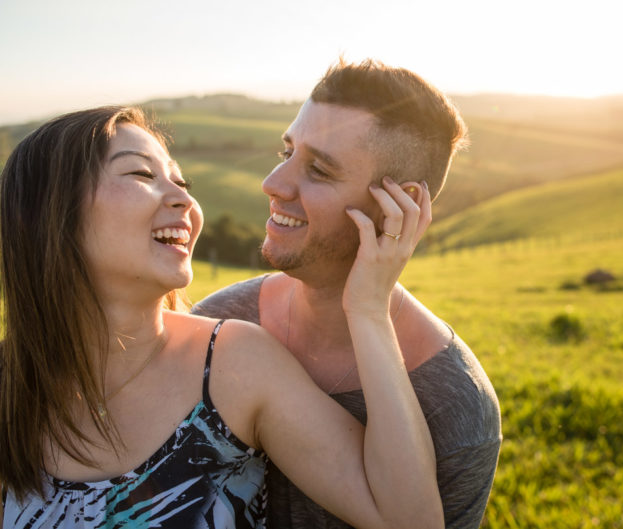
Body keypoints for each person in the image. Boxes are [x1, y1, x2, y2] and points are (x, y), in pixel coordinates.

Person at [0, 106, 444, 528]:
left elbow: (409, 519)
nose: (185, 200)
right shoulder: (9, 384)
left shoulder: (232, 365)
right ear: (51, 212)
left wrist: (368, 308)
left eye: (182, 180)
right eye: (141, 174)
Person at [193, 59, 502, 528]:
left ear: (396, 207)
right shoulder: (216, 322)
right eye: (286, 152)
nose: (272, 185)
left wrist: (366, 309)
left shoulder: (454, 402)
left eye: (318, 169)